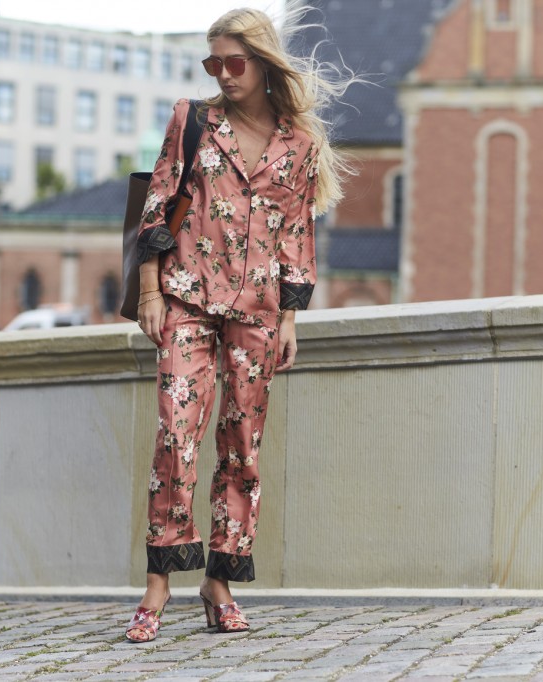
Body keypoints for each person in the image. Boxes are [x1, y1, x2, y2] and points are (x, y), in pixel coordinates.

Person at [124, 4, 353, 642]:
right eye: (213, 62)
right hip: (187, 300)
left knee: (242, 450)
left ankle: (219, 582)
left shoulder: (300, 147)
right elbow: (158, 203)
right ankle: (158, 584)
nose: (223, 74)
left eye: (234, 62)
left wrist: (290, 319)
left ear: (262, 63)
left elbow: (297, 237)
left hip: (257, 312)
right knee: (176, 435)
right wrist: (149, 291)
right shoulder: (193, 120)